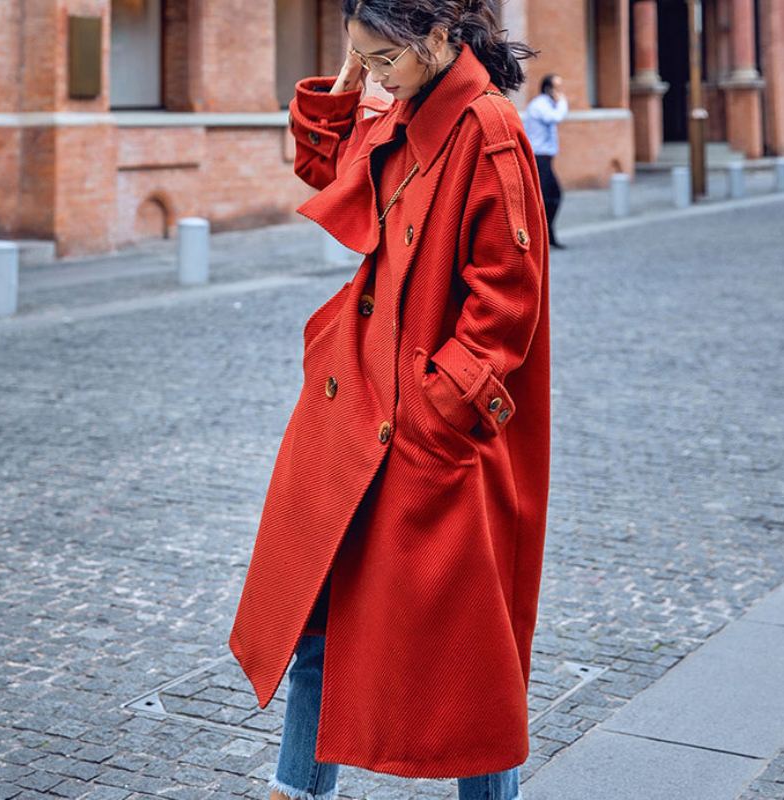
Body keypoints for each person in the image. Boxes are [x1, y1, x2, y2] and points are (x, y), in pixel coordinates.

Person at [228, 1, 552, 799]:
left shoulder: (487, 127)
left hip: (423, 429)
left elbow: (507, 298)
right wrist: (348, 82)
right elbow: (328, 173)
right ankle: (296, 787)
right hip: (355, 408)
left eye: (383, 60)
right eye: (363, 59)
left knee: (466, 647)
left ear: (441, 37)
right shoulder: (408, 107)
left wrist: (439, 407)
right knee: (317, 614)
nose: (376, 75)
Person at [523, 73, 569, 249]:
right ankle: (540, 237)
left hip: (545, 157)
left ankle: (547, 234)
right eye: (557, 87)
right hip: (538, 157)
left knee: (552, 197)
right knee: (546, 197)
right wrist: (563, 102)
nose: (560, 91)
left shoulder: (548, 104)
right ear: (548, 88)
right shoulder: (540, 105)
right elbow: (555, 118)